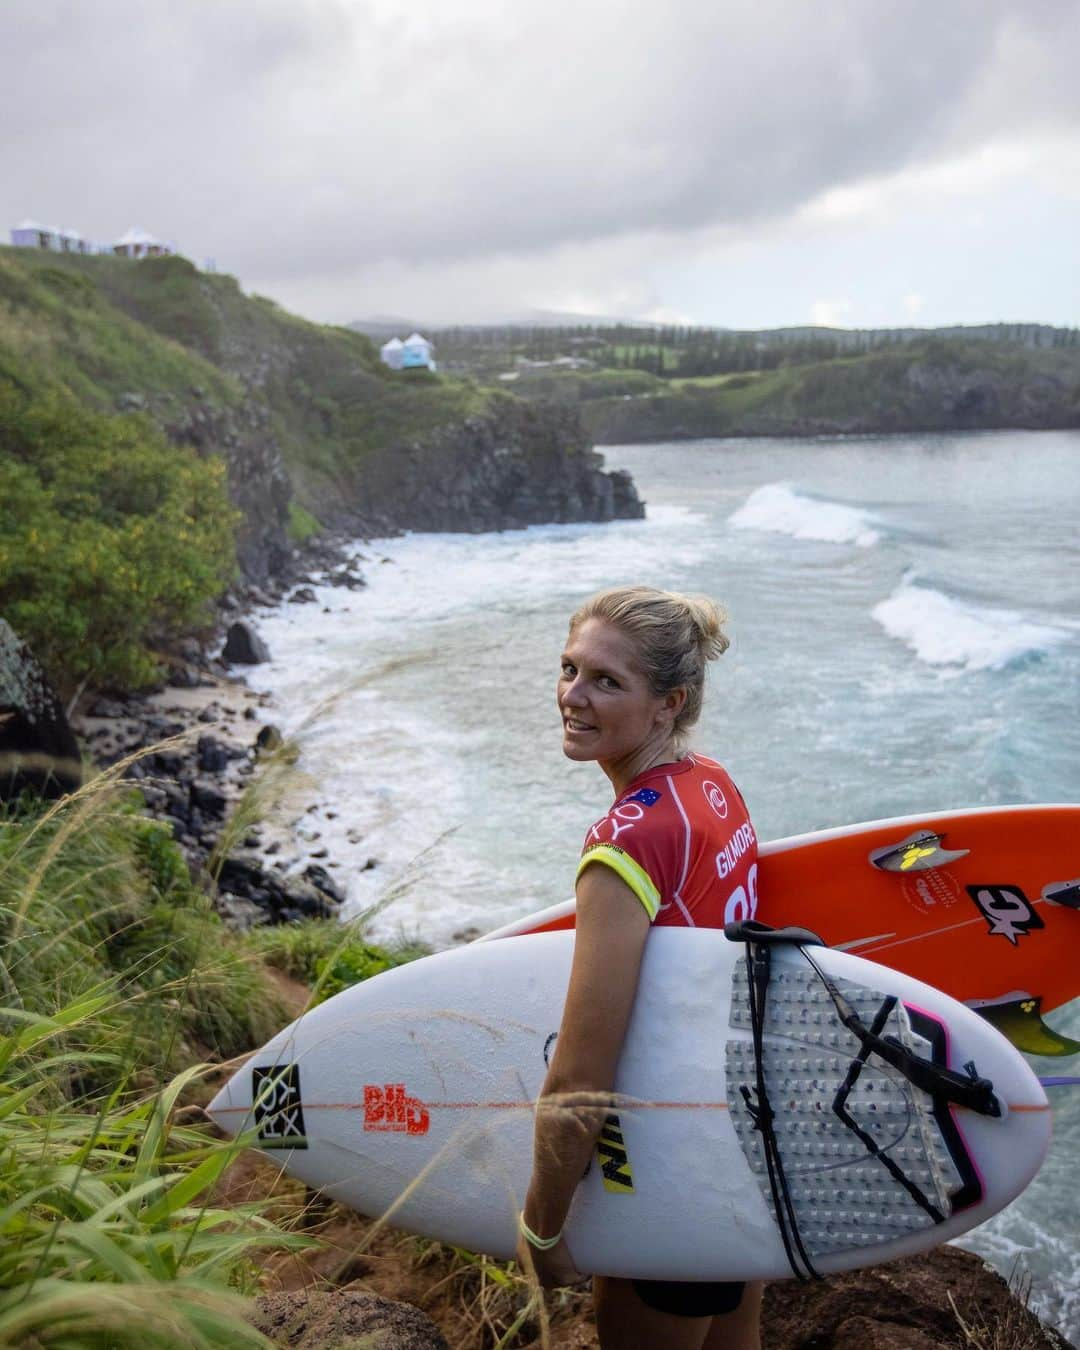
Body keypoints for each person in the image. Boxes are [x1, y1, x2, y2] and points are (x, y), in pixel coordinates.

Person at [515, 585, 763, 1350]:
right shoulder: (712, 786)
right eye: (569, 669)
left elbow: (582, 1073)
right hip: (743, 1145)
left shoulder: (625, 847)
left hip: (669, 1172)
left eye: (606, 681)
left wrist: (542, 1225)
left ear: (668, 704)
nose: (573, 696)